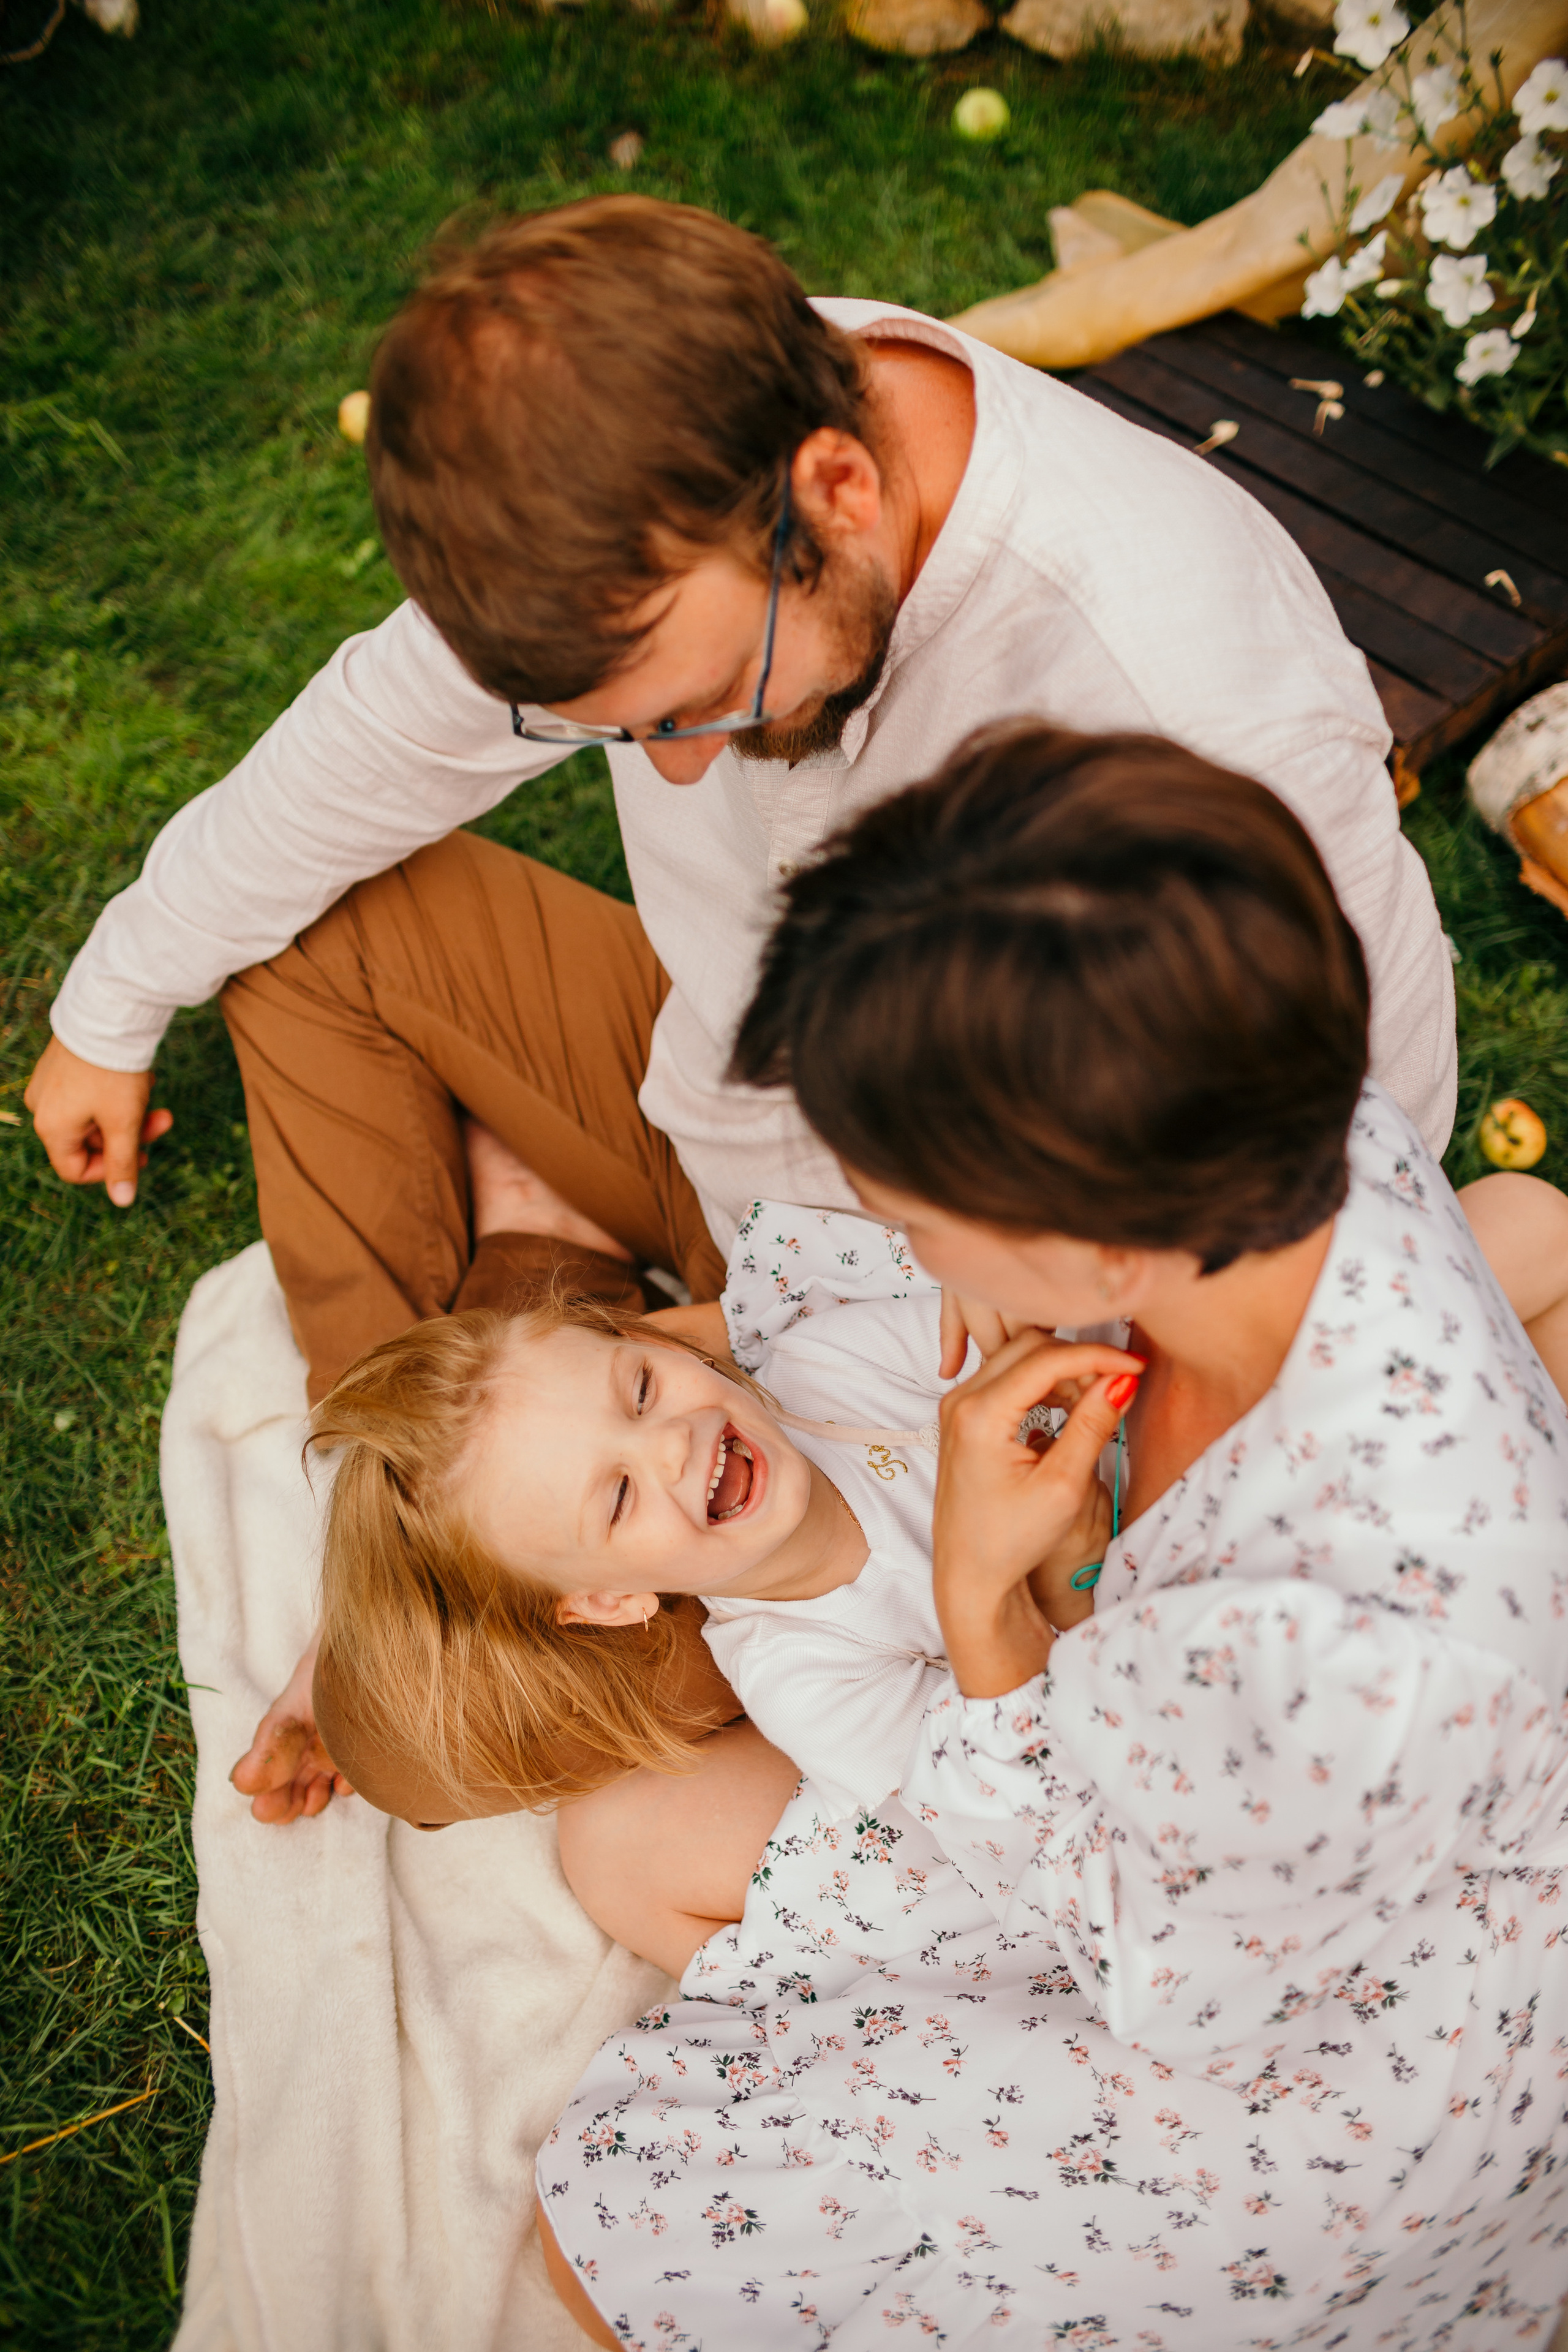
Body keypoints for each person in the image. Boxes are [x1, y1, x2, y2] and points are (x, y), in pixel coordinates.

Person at [25, 194, 1464, 1810]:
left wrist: (1049, 1335)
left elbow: (1331, 1167)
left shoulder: (1166, 676)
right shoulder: (629, 469)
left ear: (836, 494)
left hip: (1033, 1263)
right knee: (301, 940)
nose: (688, 767)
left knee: (432, 1746)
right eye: (623, 731)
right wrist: (116, 998)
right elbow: (380, 741)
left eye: (703, 703)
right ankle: (455, 1458)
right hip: (752, 1181)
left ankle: (528, 1360)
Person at [520, 726, 1568, 2350]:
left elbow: (1142, 1966)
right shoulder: (1307, 1129)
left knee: (617, 2246)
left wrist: (978, 1595)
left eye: (918, 1214)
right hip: (1375, 1886)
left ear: (1072, 1216)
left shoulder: (1300, 1643)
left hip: (1367, 2093)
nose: (913, 1255)